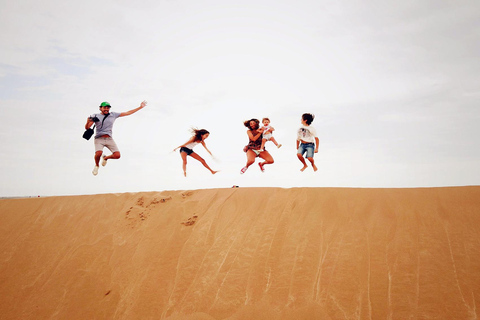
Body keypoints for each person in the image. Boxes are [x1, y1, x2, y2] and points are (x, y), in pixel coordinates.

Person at [85, 100, 147, 176]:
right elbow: (87, 127)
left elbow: (128, 113)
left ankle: (105, 158)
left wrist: (140, 107)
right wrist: (88, 121)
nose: (106, 109)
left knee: (117, 155)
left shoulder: (113, 114)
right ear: (100, 108)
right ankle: (97, 165)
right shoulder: (95, 116)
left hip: (109, 139)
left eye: (108, 108)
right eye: (104, 107)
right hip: (99, 138)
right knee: (98, 153)